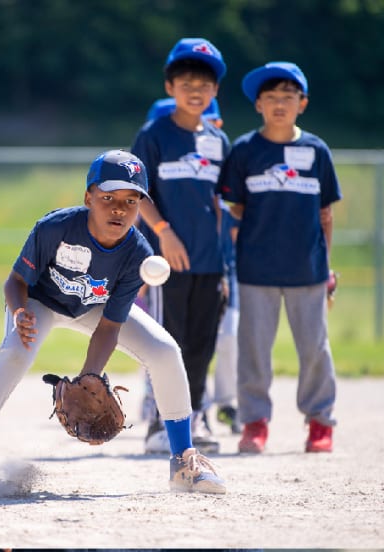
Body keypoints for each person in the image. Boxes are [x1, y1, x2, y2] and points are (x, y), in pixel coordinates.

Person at [0, 150, 226, 497]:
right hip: (39, 302)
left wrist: (90, 375)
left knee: (164, 351)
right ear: (88, 197)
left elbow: (110, 327)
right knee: (14, 353)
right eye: (108, 198)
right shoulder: (55, 227)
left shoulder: (137, 254)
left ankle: (184, 459)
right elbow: (15, 282)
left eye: (131, 201)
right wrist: (19, 312)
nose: (119, 208)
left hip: (94, 307)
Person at [218, 61, 341, 454]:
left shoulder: (316, 150)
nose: (279, 105)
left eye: (288, 97)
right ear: (258, 105)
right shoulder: (245, 150)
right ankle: (254, 422)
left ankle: (320, 422)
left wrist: (327, 267)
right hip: (256, 269)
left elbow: (326, 214)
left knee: (315, 348)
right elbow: (233, 209)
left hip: (308, 269)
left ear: (302, 104)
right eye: (270, 98)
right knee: (253, 349)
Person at [130, 38, 231, 454]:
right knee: (168, 343)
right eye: (186, 81)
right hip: (165, 263)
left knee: (203, 343)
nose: (195, 89)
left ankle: (196, 415)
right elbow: (137, 191)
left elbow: (224, 205)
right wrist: (164, 231)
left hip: (209, 262)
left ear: (215, 92)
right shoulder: (154, 134)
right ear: (170, 87)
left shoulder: (219, 143)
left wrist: (226, 263)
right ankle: (159, 420)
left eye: (204, 83)